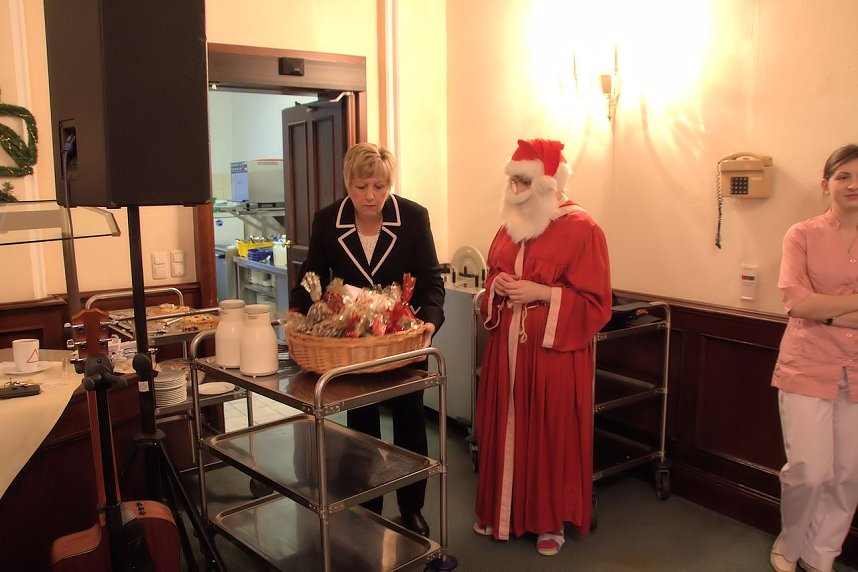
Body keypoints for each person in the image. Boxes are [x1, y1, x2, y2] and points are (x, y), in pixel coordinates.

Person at [288, 142, 445, 537]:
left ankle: (411, 507)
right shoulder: (327, 221)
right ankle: (367, 504)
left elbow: (430, 281)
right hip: (353, 344)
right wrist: (296, 313)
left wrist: (428, 322)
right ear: (347, 184)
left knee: (410, 422)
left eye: (378, 185)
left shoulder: (412, 217)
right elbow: (313, 275)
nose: (370, 196)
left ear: (389, 183)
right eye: (361, 187)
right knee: (361, 425)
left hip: (403, 342)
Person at [473, 138, 612, 556]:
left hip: (552, 354)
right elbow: (494, 273)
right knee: (503, 427)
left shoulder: (583, 230)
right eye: (511, 179)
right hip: (507, 350)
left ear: (548, 183)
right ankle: (502, 512)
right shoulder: (508, 225)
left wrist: (542, 292)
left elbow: (595, 303)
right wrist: (496, 286)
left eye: (523, 180)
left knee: (550, 433)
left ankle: (550, 521)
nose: (515, 188)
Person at [770, 144, 858, 572]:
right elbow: (798, 303)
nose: (853, 184)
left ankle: (821, 554)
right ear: (826, 185)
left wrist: (830, 311)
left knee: (849, 475)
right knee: (809, 469)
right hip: (807, 363)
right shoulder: (801, 234)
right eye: (844, 176)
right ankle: (791, 542)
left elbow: (816, 305)